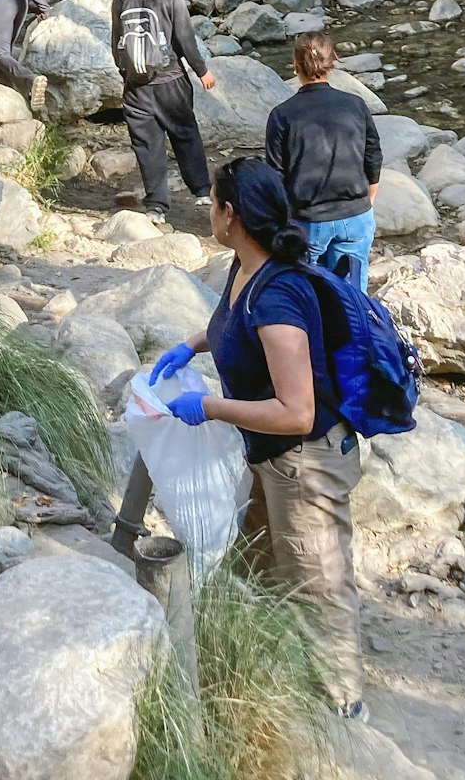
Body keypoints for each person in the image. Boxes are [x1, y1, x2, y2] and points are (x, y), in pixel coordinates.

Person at [147, 158, 366, 720]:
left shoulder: (278, 297)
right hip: (268, 457)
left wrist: (210, 407)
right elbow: (230, 323)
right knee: (255, 564)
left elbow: (297, 412)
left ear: (231, 214)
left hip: (306, 462)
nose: (208, 210)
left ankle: (345, 706)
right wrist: (192, 345)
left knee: (319, 581)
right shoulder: (243, 267)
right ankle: (265, 660)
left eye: (213, 201)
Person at [266, 32, 382, 290]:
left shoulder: (282, 115)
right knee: (353, 298)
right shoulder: (356, 105)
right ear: (332, 62)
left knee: (308, 296)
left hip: (308, 220)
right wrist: (368, 199)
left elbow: (275, 175)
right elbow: (373, 156)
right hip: (356, 215)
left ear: (296, 65)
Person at [111, 0, 215, 221]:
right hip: (170, 78)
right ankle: (203, 191)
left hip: (136, 86)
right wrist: (201, 70)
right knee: (185, 133)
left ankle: (156, 206)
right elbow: (184, 36)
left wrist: (128, 76)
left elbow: (117, 44)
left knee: (147, 144)